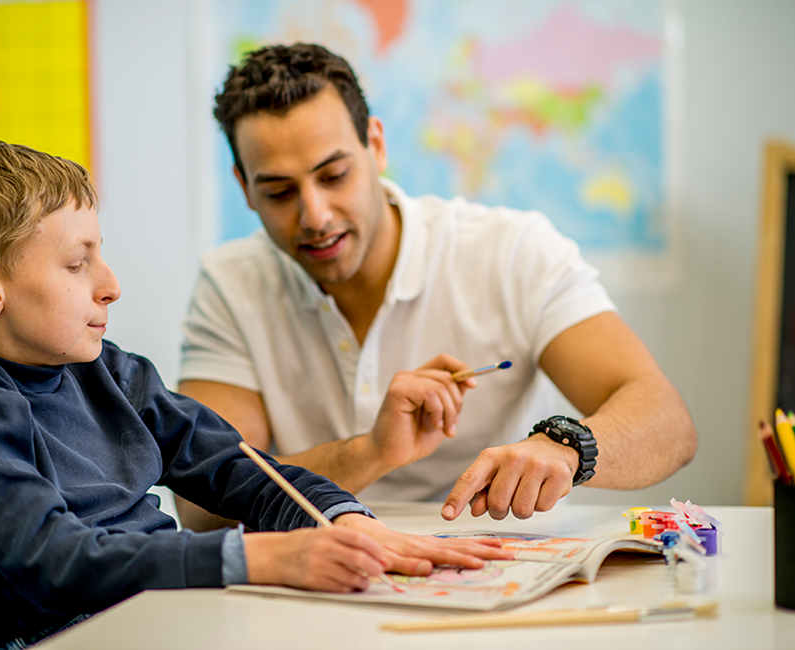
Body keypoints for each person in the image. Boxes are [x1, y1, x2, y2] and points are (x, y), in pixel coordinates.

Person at [0, 139, 508, 649]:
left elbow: (236, 465)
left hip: (147, 614)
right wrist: (266, 559)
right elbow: (51, 561)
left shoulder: (109, 371)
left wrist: (343, 521)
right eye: (78, 264)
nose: (111, 285)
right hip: (38, 635)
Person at [176, 43, 697, 530]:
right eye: (279, 191)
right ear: (245, 188)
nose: (315, 215)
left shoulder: (514, 251)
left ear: (375, 146)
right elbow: (202, 504)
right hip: (316, 571)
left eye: (334, 176)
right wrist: (372, 451)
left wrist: (565, 447)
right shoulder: (230, 284)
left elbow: (667, 422)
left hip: (494, 566)